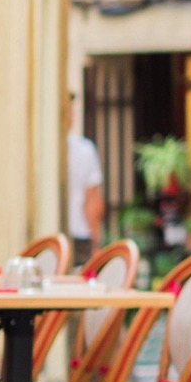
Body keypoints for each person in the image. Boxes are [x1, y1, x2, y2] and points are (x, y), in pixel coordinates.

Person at [66, 93, 105, 267]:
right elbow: (93, 200)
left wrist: (95, 243)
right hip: (79, 235)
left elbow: (92, 201)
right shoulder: (84, 149)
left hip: (78, 235)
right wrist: (96, 243)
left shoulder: (83, 149)